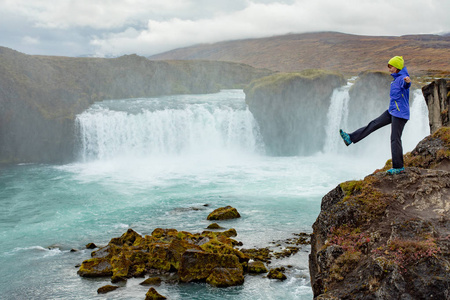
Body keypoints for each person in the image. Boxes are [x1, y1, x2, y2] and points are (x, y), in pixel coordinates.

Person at [339, 56, 411, 175]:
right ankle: (350, 138)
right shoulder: (396, 78)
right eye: (388, 67)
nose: (389, 69)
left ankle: (399, 167)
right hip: (392, 111)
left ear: (397, 67)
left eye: (391, 67)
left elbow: (406, 85)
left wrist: (408, 82)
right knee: (374, 124)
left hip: (400, 114)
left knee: (395, 138)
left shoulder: (402, 78)